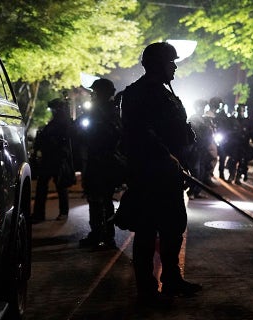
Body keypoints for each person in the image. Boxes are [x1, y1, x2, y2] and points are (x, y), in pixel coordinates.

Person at [119, 42, 202, 306]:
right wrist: (166, 157)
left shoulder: (167, 94)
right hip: (148, 173)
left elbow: (177, 129)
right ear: (157, 65)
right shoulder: (136, 94)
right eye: (170, 62)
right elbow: (139, 133)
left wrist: (183, 156)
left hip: (171, 173)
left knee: (173, 228)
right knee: (146, 231)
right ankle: (146, 288)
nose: (174, 66)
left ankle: (172, 280)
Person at [78, 78, 122, 249]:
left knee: (100, 200)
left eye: (96, 92)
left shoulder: (108, 112)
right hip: (99, 160)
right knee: (99, 200)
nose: (93, 95)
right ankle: (100, 234)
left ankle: (103, 235)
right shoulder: (105, 112)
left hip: (103, 161)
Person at [31, 98, 76, 222]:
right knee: (45, 186)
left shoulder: (63, 123)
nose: (53, 111)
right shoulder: (56, 122)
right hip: (50, 157)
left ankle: (60, 212)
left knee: (59, 186)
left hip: (58, 158)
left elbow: (63, 140)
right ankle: (40, 214)